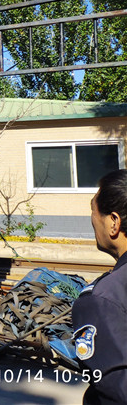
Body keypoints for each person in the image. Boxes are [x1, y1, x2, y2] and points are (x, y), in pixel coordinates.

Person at [72, 169, 127, 404]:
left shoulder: (102, 300)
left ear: (114, 222)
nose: (92, 220)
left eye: (93, 210)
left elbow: (118, 392)